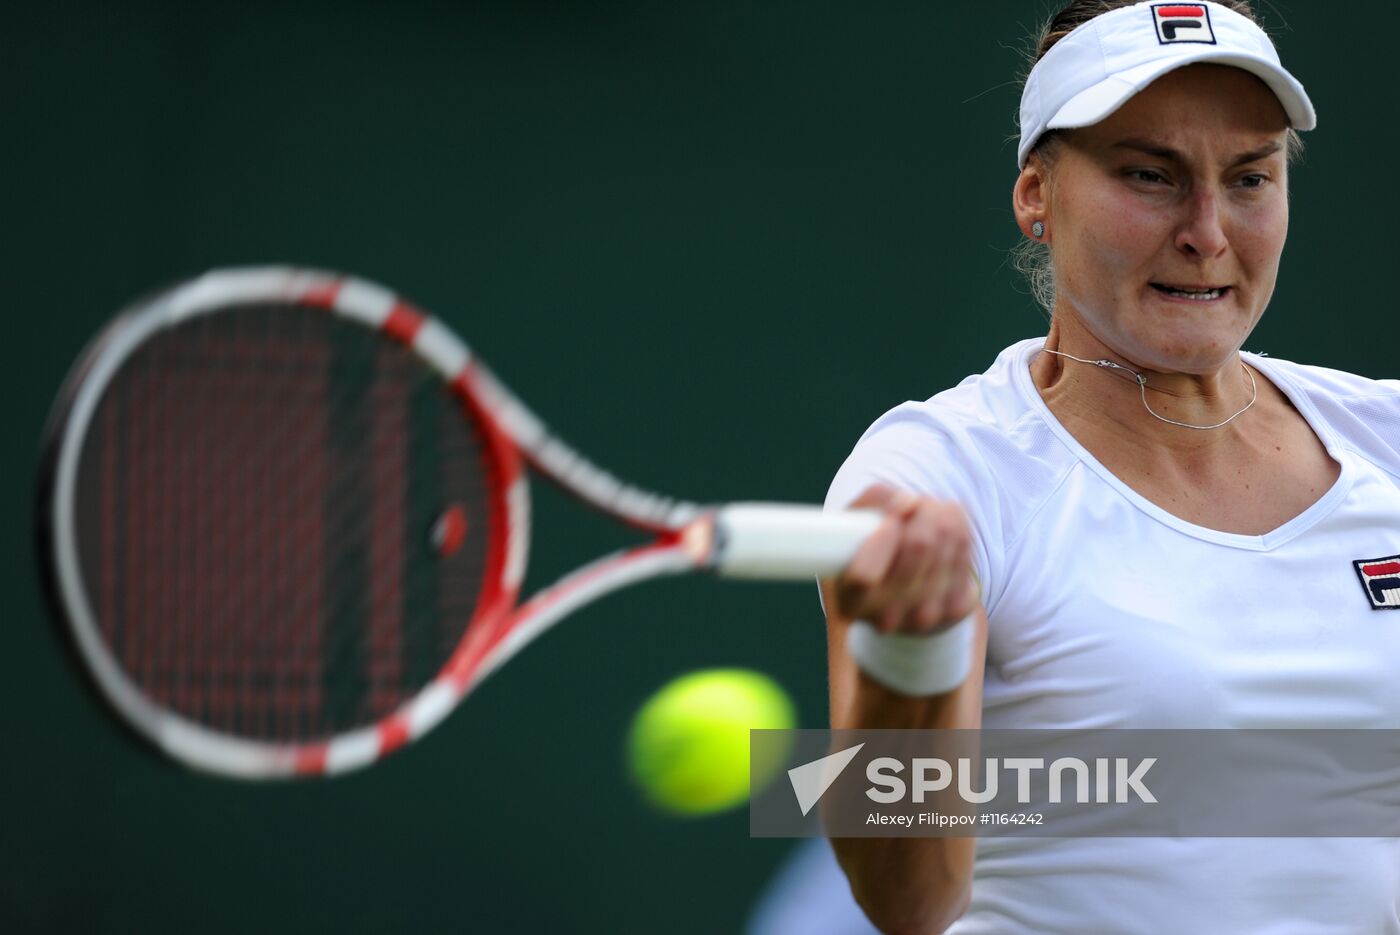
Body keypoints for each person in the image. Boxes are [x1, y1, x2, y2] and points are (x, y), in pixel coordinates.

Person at [822, 1, 1400, 932]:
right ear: (1036, 194)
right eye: (1149, 174)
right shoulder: (940, 471)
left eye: (1249, 177)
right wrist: (906, 656)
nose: (1208, 231)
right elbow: (908, 901)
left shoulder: (1387, 437)